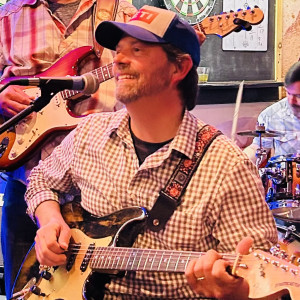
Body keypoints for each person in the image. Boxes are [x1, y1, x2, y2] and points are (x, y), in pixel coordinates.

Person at [25, 5, 278, 299]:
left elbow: (265, 281)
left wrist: (233, 293)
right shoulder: (89, 134)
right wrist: (50, 221)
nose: (118, 60)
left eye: (137, 50)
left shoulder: (227, 166)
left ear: (179, 68)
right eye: (118, 50)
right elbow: (42, 180)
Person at [0, 0, 137, 297]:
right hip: (26, 177)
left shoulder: (121, 13)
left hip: (100, 191)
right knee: (21, 291)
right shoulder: (9, 15)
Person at [244, 61, 300, 165]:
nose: (291, 101)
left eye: (298, 96)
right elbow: (259, 148)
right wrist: (241, 161)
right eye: (288, 93)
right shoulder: (271, 115)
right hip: (287, 179)